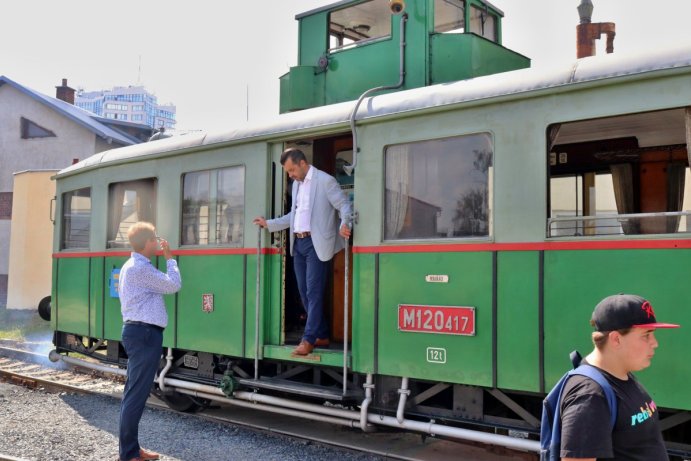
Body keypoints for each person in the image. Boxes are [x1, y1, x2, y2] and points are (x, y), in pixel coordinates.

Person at [253, 148, 352, 355]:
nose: (290, 176)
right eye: (288, 172)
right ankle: (322, 334)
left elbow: (343, 205)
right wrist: (268, 224)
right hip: (298, 244)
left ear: (302, 163)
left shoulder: (325, 181)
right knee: (304, 293)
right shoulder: (296, 185)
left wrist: (345, 223)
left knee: (313, 292)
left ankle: (308, 340)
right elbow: (293, 216)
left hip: (317, 243)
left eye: (291, 170)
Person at [558, 293, 680, 460]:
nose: (655, 343)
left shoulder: (622, 374)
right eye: (646, 335)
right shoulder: (589, 396)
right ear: (616, 339)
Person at [117, 222, 182, 461]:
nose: (157, 242)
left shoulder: (131, 266)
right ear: (147, 243)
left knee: (133, 393)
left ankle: (131, 450)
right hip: (144, 334)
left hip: (139, 332)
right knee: (136, 395)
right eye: (154, 239)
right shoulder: (140, 269)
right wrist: (170, 259)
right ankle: (129, 454)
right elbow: (174, 284)